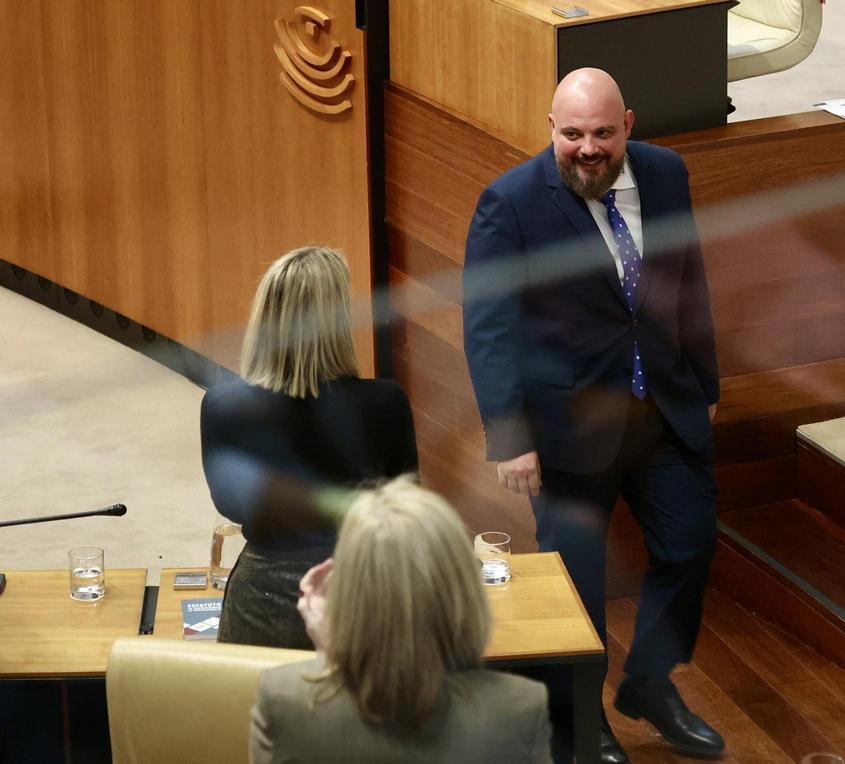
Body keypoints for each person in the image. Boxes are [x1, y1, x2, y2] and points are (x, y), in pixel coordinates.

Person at [462, 67, 723, 762]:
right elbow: (488, 327)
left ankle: (649, 685)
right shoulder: (510, 204)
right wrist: (510, 438)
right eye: (572, 133)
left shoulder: (666, 174)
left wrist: (705, 383)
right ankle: (582, 719)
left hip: (661, 408)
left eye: (603, 133)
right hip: (566, 432)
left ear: (627, 126)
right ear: (551, 128)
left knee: (690, 544)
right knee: (576, 582)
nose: (587, 149)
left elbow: (688, 279)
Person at [200, 246, 418, 649]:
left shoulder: (222, 406)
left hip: (259, 603)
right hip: (361, 593)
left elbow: (232, 507)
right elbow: (405, 506)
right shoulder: (386, 402)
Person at [249, 476, 552, 763]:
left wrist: (329, 653)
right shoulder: (520, 708)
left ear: (346, 593)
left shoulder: (283, 699)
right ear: (464, 591)